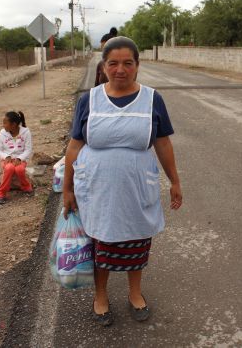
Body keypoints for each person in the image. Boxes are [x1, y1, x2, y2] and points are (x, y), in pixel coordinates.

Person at [63, 36, 182, 326]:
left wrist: (175, 181)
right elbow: (74, 146)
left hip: (137, 187)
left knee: (137, 240)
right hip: (97, 190)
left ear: (137, 66)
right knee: (101, 242)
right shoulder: (88, 101)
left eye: (127, 63)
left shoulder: (153, 99)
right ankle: (100, 296)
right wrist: (66, 188)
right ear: (103, 66)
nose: (120, 69)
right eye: (113, 63)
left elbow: (163, 143)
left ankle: (135, 293)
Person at [0, 111, 33, 205]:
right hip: (7, 159)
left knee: (19, 169)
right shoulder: (3, 133)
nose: (3, 125)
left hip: (20, 159)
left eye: (5, 123)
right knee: (9, 168)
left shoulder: (26, 132)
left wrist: (20, 158)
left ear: (13, 125)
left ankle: (26, 187)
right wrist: (6, 156)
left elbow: (28, 150)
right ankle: (1, 193)